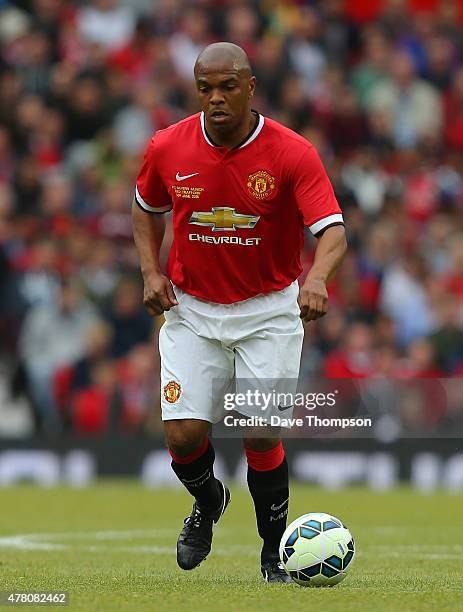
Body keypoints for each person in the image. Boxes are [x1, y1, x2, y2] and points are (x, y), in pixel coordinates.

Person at [132, 42, 347, 583]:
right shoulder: (167, 147)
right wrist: (150, 272)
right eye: (205, 88)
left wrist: (317, 277)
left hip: (268, 312)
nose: (216, 99)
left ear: (251, 86)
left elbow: (333, 232)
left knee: (260, 434)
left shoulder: (292, 152)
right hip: (192, 308)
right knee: (182, 435)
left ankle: (274, 554)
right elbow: (145, 209)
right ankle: (208, 502)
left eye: (227, 86)